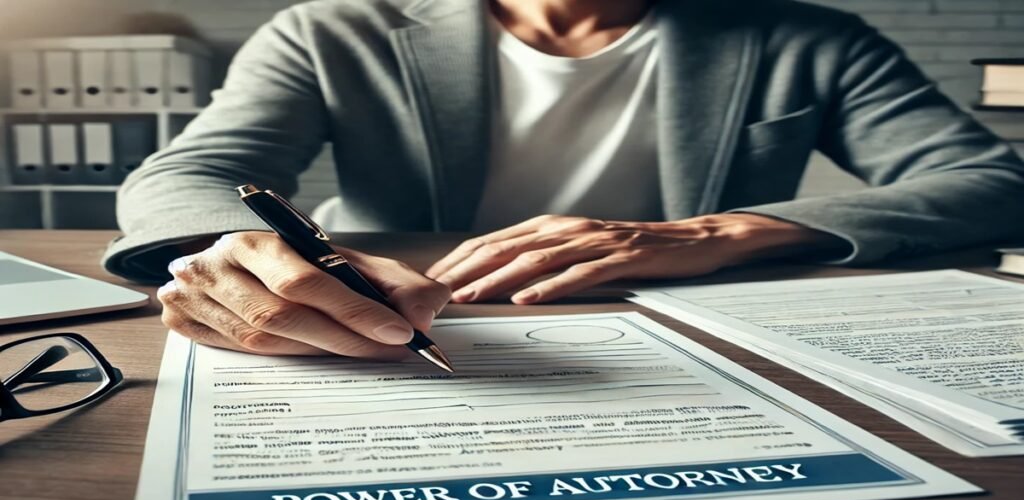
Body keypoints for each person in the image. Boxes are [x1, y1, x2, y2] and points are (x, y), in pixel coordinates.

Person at [106, 0, 1024, 358]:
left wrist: (714, 232)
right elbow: (195, 172)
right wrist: (226, 261)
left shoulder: (810, 39)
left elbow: (989, 179)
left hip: (686, 335)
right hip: (417, 322)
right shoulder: (330, 29)